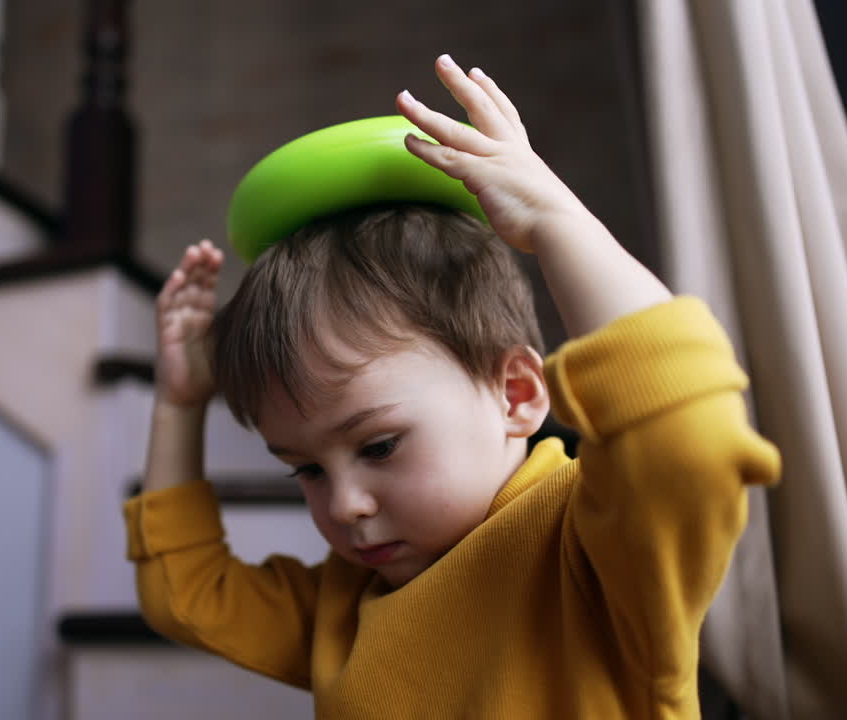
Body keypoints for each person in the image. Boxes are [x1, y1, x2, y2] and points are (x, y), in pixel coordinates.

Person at [124, 54, 781, 718]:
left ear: (517, 395)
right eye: (307, 472)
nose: (345, 504)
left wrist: (556, 223)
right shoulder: (345, 601)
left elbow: (689, 444)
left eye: (378, 446)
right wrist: (180, 404)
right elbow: (186, 595)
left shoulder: (591, 546)